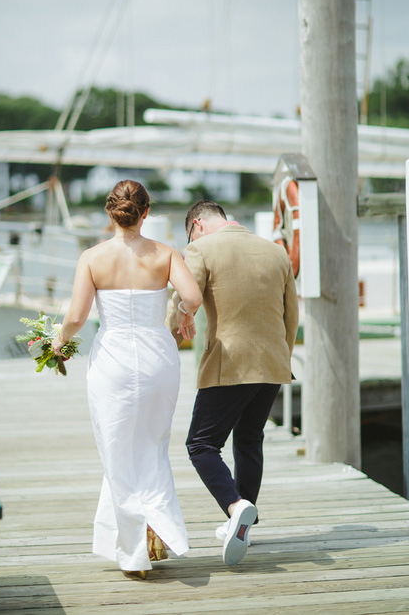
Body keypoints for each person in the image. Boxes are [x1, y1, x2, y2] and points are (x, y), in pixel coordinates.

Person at [52, 180, 202, 579]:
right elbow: (194, 296)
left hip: (113, 362)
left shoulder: (92, 257)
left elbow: (77, 318)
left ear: (110, 212)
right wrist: (183, 312)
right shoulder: (166, 253)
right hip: (158, 359)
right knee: (151, 449)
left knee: (117, 454)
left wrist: (57, 342)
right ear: (146, 212)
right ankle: (152, 540)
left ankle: (133, 551)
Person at [168, 199, 299, 567]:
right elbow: (292, 315)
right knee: (248, 439)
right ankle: (244, 525)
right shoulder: (276, 252)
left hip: (231, 363)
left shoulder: (200, 248)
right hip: (273, 362)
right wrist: (281, 356)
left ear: (197, 224)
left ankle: (236, 505)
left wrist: (164, 347)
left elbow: (183, 303)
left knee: (201, 444)